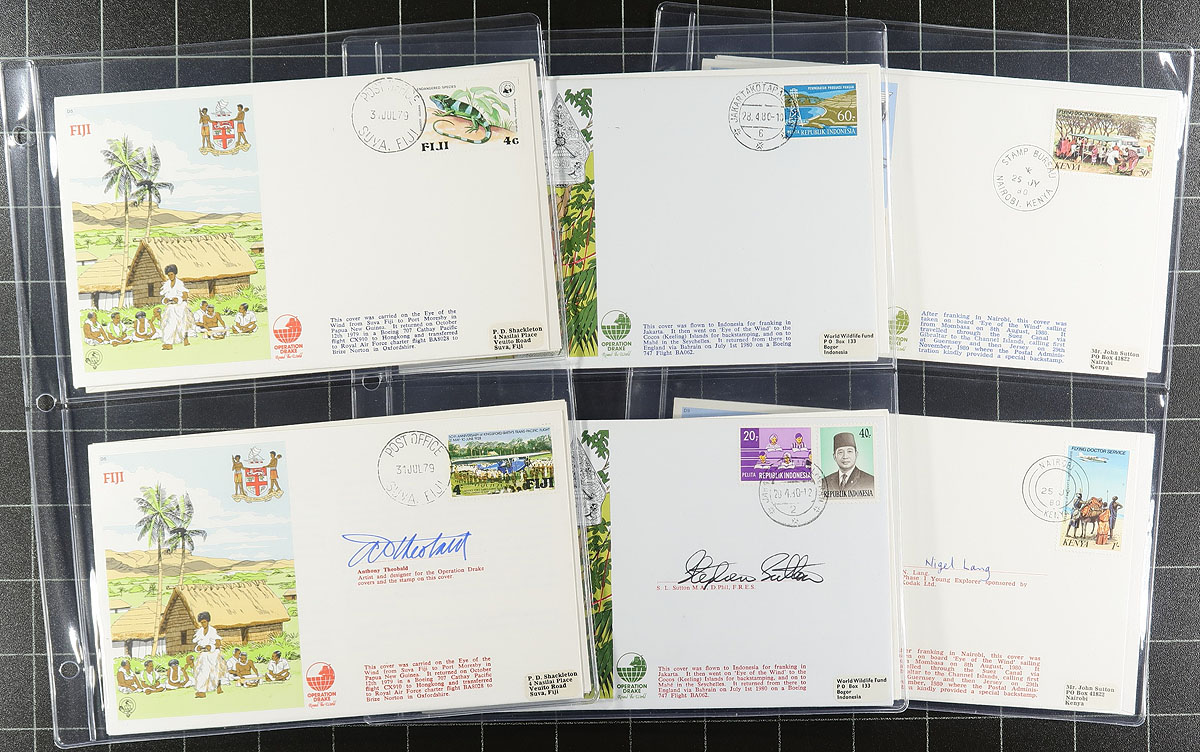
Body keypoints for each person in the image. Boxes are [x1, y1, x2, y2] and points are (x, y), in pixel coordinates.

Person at [191, 611, 224, 697]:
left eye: (204, 622)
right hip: (203, 655)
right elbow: (198, 644)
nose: (203, 624)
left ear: (208, 621)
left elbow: (218, 644)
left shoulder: (213, 631)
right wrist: (198, 648)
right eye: (201, 622)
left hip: (213, 654)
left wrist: (211, 646)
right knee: (201, 672)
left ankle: (217, 687)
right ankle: (201, 691)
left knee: (215, 672)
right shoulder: (199, 632)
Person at [159, 264, 191, 350]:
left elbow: (185, 296)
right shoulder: (166, 285)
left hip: (180, 307)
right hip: (170, 308)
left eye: (171, 274)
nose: (170, 276)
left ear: (175, 273)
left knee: (182, 325)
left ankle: (185, 339)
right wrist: (165, 300)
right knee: (169, 325)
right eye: (168, 275)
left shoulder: (180, 284)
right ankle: (168, 343)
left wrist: (178, 299)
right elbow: (165, 297)